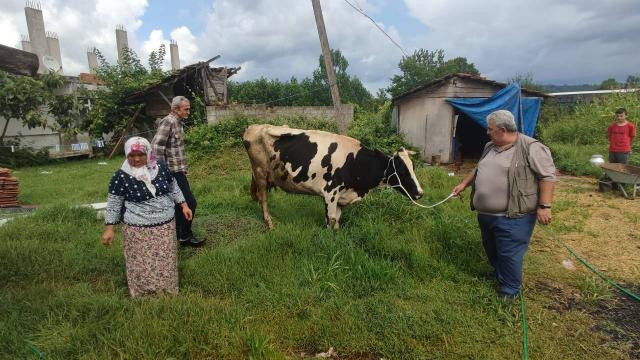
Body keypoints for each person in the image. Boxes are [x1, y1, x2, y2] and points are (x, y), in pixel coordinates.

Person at [451, 110, 557, 302]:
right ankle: (501, 274)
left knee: (509, 253)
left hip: (513, 216)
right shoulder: (490, 146)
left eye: (490, 130)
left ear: (502, 130)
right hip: (486, 214)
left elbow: (547, 177)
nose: (488, 133)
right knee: (491, 248)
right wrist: (463, 184)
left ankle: (510, 290)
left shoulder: (531, 147)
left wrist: (544, 206)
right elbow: (478, 168)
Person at [102, 137, 193, 298]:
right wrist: (109, 229)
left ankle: (167, 290)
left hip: (165, 226)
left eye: (141, 155)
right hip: (137, 229)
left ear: (148, 153)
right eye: (132, 155)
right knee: (140, 262)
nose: (136, 159)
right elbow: (114, 203)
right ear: (126, 155)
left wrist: (184, 205)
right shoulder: (121, 176)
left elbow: (173, 187)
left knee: (165, 261)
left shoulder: (162, 168)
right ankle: (143, 293)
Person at [152, 96, 204, 246]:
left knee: (178, 204)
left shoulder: (178, 123)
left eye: (189, 108)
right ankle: (185, 235)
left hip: (178, 170)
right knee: (190, 203)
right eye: (186, 109)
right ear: (175, 109)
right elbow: (156, 148)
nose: (189, 111)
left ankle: (175, 235)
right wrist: (160, 172)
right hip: (171, 172)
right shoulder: (168, 122)